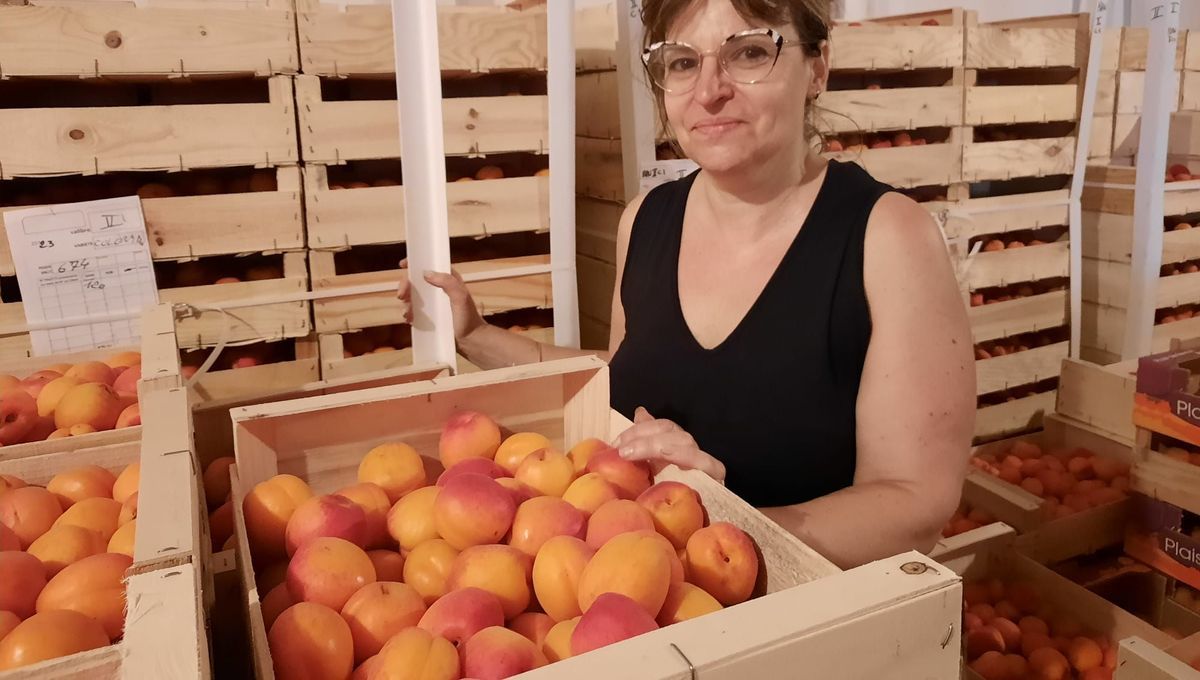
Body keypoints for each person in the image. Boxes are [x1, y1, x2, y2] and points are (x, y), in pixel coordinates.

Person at [399, 0, 975, 569]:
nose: (709, 91)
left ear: (817, 67)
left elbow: (915, 502)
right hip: (640, 601)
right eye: (680, 62)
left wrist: (719, 525)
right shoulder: (645, 221)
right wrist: (474, 335)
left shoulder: (887, 236)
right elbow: (624, 371)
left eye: (748, 52)